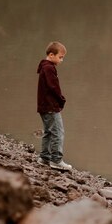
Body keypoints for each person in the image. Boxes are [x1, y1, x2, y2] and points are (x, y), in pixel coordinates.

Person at [36, 41, 72, 171]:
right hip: (51, 106)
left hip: (43, 106)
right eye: (60, 57)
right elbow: (53, 87)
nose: (61, 60)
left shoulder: (44, 67)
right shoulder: (49, 68)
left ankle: (44, 157)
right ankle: (56, 160)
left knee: (48, 132)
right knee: (58, 132)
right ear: (51, 55)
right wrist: (61, 99)